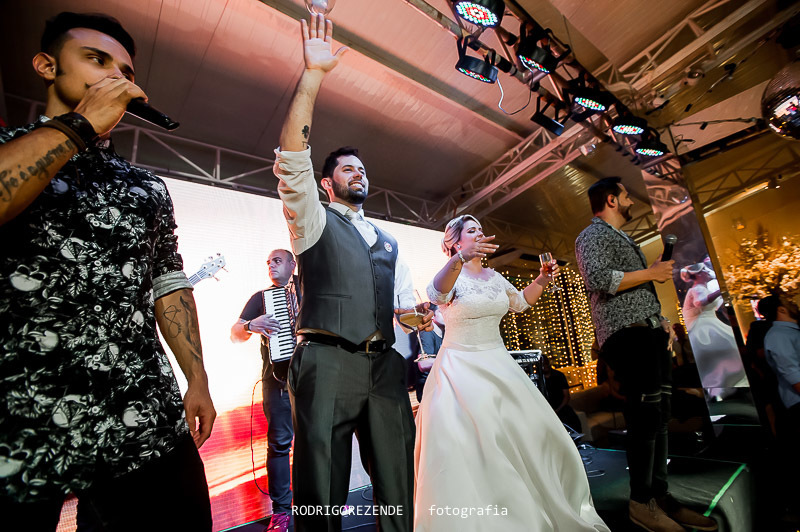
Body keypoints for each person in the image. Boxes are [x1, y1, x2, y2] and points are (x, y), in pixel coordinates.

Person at [0, 12, 215, 531]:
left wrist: (198, 378)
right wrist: (79, 125)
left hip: (141, 412)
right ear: (47, 66)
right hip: (23, 417)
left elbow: (168, 283)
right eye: (96, 60)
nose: (116, 77)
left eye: (126, 71)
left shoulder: (146, 188)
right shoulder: (9, 148)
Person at [271, 14, 432, 532]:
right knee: (320, 489)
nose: (358, 173)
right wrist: (313, 76)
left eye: (362, 169)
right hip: (326, 363)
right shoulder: (313, 219)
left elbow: (399, 311)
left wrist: (414, 317)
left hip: (385, 369)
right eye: (347, 169)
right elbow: (292, 159)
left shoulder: (389, 240)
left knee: (397, 483)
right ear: (326, 183)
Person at [414, 214, 608, 531]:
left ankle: (531, 506)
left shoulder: (494, 276)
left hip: (499, 364)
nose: (479, 234)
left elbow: (519, 302)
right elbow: (437, 293)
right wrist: (459, 259)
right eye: (471, 231)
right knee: (475, 441)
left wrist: (542, 279)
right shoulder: (451, 275)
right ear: (455, 243)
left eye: (481, 229)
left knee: (532, 433)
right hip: (460, 368)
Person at [575, 177, 716, 532]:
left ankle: (659, 496)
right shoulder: (592, 235)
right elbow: (598, 279)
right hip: (625, 334)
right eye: (625, 194)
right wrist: (650, 273)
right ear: (611, 200)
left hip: (648, 330)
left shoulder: (623, 237)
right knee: (644, 414)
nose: (630, 199)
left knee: (660, 413)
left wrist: (660, 320)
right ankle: (641, 502)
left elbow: (636, 288)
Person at [230, 249, 298, 532]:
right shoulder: (262, 298)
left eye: (277, 260)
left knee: (319, 440)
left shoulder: (313, 290)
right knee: (280, 444)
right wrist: (250, 325)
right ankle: (281, 511)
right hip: (277, 381)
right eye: (268, 262)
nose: (271, 265)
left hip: (315, 379)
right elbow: (235, 333)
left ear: (293, 264)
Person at [680, 263, 746, 388]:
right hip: (704, 325)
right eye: (704, 270)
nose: (707, 272)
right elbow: (700, 302)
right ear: (699, 274)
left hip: (711, 321)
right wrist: (720, 291)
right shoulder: (697, 289)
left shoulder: (704, 288)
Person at [541, 355, 583, 432]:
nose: (544, 366)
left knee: (574, 428)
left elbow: (566, 396)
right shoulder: (540, 380)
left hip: (562, 409)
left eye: (546, 363)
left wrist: (557, 410)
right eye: (542, 364)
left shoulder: (559, 375)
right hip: (548, 411)